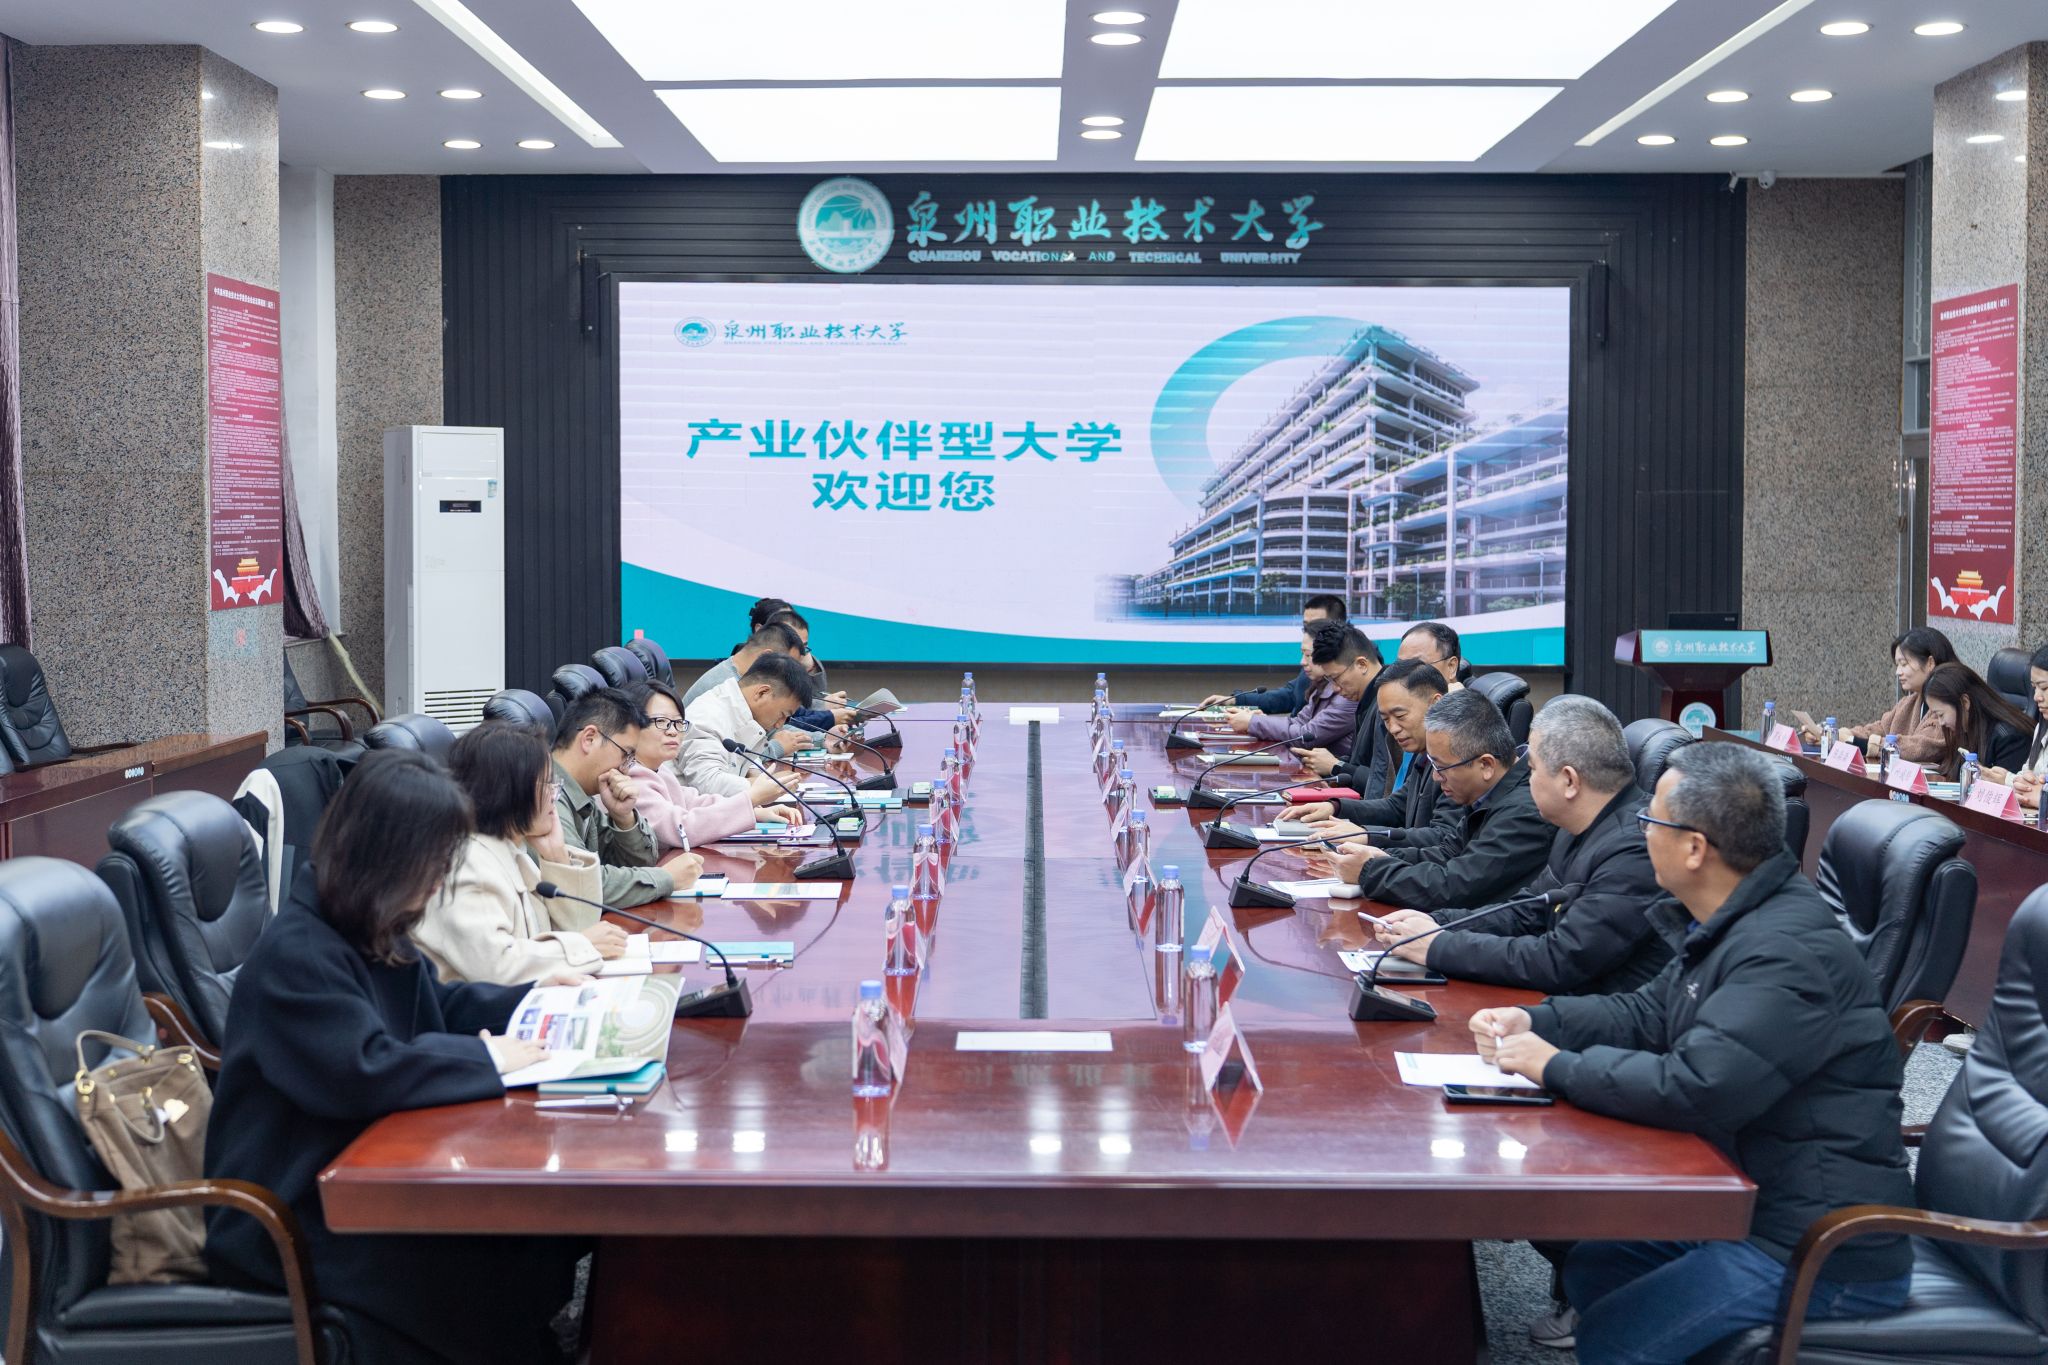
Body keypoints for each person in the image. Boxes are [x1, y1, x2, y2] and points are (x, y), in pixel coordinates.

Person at [1472, 743, 1914, 1364]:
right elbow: (1646, 1013)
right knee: (1598, 1264)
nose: (1640, 832)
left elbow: (1695, 1086)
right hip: (1750, 1199)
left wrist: (1553, 1065)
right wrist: (1538, 1019)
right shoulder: (1731, 915)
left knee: (1614, 1337)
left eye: (1650, 820)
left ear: (1695, 848)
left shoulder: (1785, 950)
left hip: (1817, 1247)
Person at [204, 750, 587, 1363]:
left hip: (363, 1170)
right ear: (386, 857)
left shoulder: (363, 921)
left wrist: (534, 998)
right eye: (432, 864)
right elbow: (367, 1068)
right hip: (295, 1213)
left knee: (534, 1229)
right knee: (481, 1257)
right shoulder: (300, 954)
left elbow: (436, 1003)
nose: (438, 882)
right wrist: (488, 1060)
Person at [1370, 695, 1670, 996]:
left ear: (1569, 781)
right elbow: (1527, 911)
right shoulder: (1579, 826)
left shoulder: (1634, 851)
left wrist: (1438, 946)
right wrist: (1437, 923)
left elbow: (1560, 960)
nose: (1527, 779)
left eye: (1533, 769)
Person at [413, 721, 630, 985]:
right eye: (548, 783)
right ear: (510, 791)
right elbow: (496, 968)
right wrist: (582, 945)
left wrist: (557, 856)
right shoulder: (466, 864)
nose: (555, 794)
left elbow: (579, 926)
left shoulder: (511, 850)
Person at [1305, 688, 1550, 911]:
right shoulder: (1488, 792)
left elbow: (1456, 887)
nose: (1435, 776)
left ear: (1485, 765)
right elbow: (1447, 853)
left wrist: (1369, 871)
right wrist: (1378, 856)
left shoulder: (1524, 810)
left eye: (1441, 767)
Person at [552, 687, 699, 908]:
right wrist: (666, 878)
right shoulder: (546, 795)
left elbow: (638, 864)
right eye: (626, 754)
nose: (626, 768)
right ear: (589, 739)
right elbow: (579, 886)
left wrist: (624, 818)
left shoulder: (582, 793)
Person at [1291, 659, 1460, 851]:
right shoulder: (1425, 752)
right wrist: (1335, 808)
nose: (1393, 728)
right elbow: (1397, 806)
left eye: (1400, 716)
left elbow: (1445, 836)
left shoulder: (1457, 755)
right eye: (1386, 719)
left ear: (1435, 703)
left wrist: (1367, 836)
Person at [620, 678, 802, 849]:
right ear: (630, 725)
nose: (673, 731)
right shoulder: (630, 778)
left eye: (678, 723)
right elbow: (682, 829)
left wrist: (754, 812)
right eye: (661, 722)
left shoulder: (658, 770)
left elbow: (694, 802)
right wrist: (751, 798)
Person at [678, 651, 814, 800]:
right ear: (762, 693)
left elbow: (746, 759)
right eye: (782, 714)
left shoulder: (740, 710)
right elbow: (707, 783)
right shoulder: (709, 715)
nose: (779, 724)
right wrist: (769, 784)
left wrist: (757, 775)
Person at [1810, 626, 1954, 761]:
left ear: (1930, 663)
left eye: (1904, 664)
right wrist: (1834, 735)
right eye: (1897, 665)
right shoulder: (1908, 702)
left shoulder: (1950, 702)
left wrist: (1850, 740)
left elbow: (1921, 747)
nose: (1898, 672)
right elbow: (1880, 728)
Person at [1220, 617, 1358, 749]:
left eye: (1308, 655)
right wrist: (1258, 720)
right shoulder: (1321, 685)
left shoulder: (1347, 695)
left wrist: (1253, 722)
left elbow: (1305, 736)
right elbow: (1297, 722)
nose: (1302, 662)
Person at [1198, 594, 1348, 713]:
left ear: (1338, 626)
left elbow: (1308, 730)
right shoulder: (1313, 661)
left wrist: (1256, 723)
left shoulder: (1346, 674)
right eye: (1305, 626)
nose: (1308, 632)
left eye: (1316, 626)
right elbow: (1289, 696)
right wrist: (1235, 700)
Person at [1290, 624, 1392, 795]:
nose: (1336, 688)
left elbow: (1388, 784)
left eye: (1336, 678)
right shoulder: (1365, 698)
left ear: (1362, 664)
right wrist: (1331, 763)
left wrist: (1336, 766)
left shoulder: (1388, 705)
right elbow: (1361, 764)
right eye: (1329, 680)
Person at [1918, 660, 2032, 781]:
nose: (1941, 723)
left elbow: (2006, 789)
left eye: (1941, 714)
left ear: (1965, 702)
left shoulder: (2011, 738)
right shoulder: (1965, 729)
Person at [765, 607, 858, 731]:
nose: (802, 654)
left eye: (804, 647)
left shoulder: (784, 667)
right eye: (798, 646)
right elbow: (780, 727)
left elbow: (799, 713)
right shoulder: (758, 676)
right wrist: (828, 714)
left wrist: (811, 667)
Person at [2013, 643, 2048, 810]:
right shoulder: (2042, 728)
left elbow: (2040, 795)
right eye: (2034, 688)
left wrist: (2044, 799)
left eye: (2045, 688)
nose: (2037, 697)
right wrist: (2019, 784)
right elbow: (2028, 773)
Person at [1399, 621, 1471, 689]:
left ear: (1451, 666)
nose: (1404, 677)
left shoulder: (1474, 697)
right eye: (1400, 666)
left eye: (1417, 666)